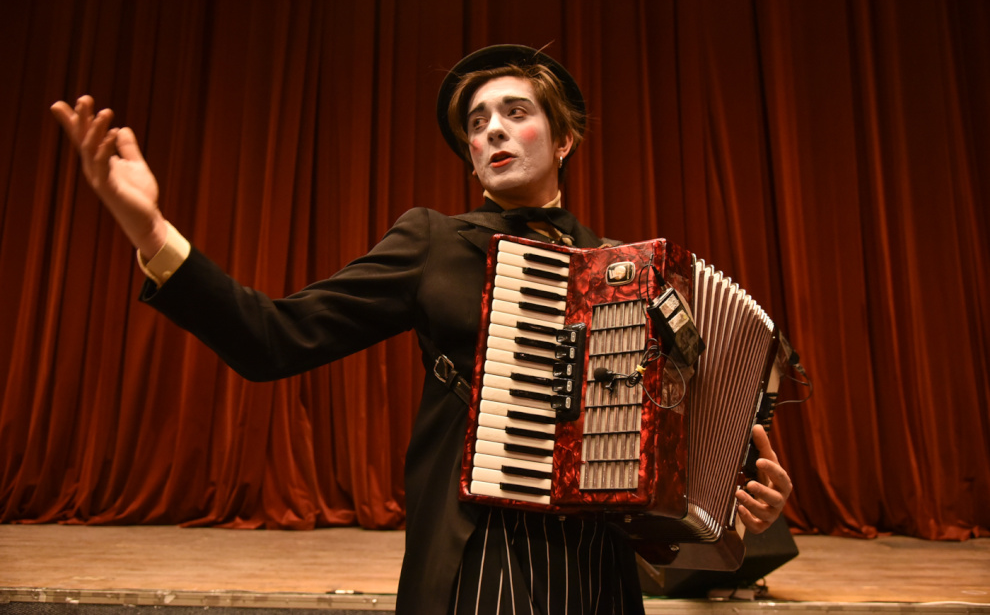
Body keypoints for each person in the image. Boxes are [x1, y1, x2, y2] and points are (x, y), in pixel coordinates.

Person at [51, 45, 792, 614]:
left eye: (515, 112)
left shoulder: (635, 278)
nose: (493, 129)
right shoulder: (435, 242)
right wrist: (151, 231)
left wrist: (733, 507)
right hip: (483, 564)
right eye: (477, 123)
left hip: (596, 576)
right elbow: (271, 340)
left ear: (563, 139)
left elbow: (671, 468)